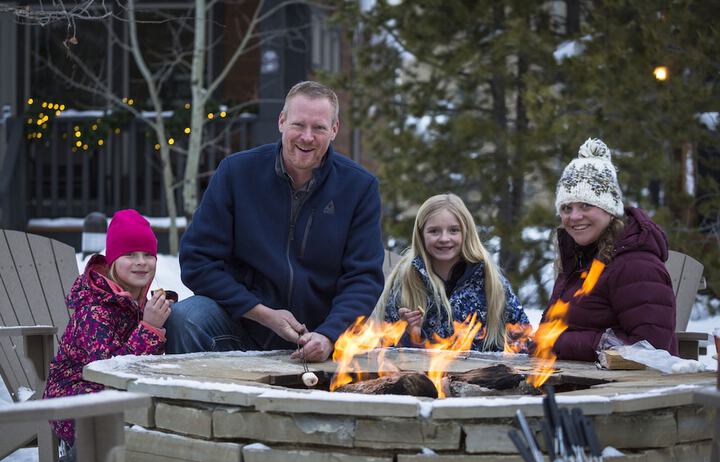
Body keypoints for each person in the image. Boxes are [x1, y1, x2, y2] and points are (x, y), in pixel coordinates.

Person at [165, 80, 384, 362]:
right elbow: (198, 261)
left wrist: (329, 335)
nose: (307, 136)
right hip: (241, 324)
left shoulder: (359, 187)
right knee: (186, 317)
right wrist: (262, 313)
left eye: (318, 127)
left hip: (317, 337)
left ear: (334, 129)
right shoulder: (237, 173)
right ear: (281, 121)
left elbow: (363, 278)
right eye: (298, 125)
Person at [43, 209, 170, 462]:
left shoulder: (139, 302)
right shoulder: (94, 309)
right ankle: (77, 459)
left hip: (112, 394)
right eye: (129, 254)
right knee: (116, 405)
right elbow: (108, 369)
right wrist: (148, 328)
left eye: (148, 254)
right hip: (71, 398)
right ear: (112, 260)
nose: (141, 262)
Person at [542, 138, 677, 362]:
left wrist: (560, 343)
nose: (574, 217)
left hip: (628, 391)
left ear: (610, 209)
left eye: (586, 205)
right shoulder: (580, 258)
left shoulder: (636, 266)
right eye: (567, 207)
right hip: (575, 383)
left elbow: (652, 348)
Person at [374, 193, 530, 352]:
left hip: (482, 375)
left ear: (466, 232)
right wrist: (412, 336)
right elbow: (383, 355)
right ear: (421, 235)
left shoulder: (490, 281)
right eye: (434, 231)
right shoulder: (405, 281)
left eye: (454, 230)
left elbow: (523, 342)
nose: (444, 238)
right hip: (420, 376)